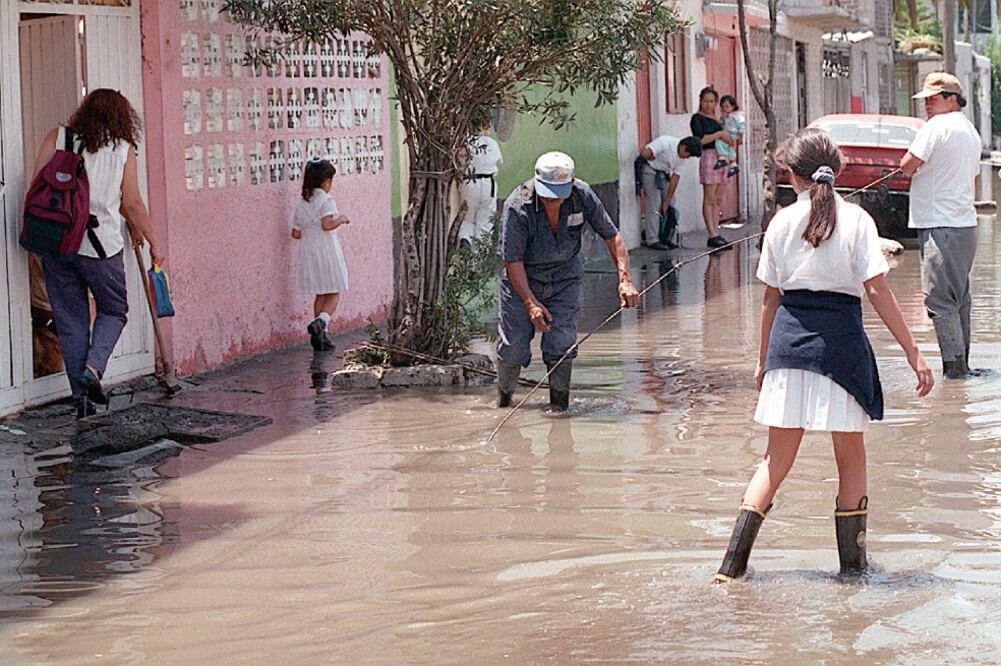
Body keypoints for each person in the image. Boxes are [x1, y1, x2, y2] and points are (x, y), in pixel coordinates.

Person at [713, 128, 934, 583]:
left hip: (787, 344)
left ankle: (730, 569)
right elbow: (877, 290)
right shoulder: (857, 220)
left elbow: (770, 299)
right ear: (838, 167)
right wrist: (914, 352)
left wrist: (762, 360)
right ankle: (853, 573)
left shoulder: (779, 222)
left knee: (774, 462)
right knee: (850, 457)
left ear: (789, 175)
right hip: (841, 349)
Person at [29, 89, 163, 419]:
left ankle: (82, 401)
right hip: (100, 246)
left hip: (57, 244)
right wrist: (151, 238)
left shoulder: (58, 136)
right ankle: (93, 369)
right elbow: (131, 202)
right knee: (114, 310)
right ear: (121, 116)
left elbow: (37, 188)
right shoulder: (121, 148)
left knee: (71, 322)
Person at [497, 151, 639, 410]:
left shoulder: (582, 195)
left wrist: (625, 279)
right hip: (523, 281)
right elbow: (512, 261)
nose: (553, 202)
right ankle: (504, 402)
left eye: (559, 195)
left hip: (565, 278)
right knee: (514, 346)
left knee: (561, 344)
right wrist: (530, 303)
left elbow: (612, 237)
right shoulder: (517, 207)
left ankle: (559, 408)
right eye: (548, 195)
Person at [900, 72, 982, 379]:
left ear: (951, 99)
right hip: (964, 225)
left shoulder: (936, 126)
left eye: (932, 99)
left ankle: (954, 373)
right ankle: (963, 366)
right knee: (959, 296)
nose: (927, 106)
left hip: (939, 224)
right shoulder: (970, 131)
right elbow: (971, 178)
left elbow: (907, 165)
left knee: (939, 299)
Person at [293, 159, 350, 351]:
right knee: (334, 292)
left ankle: (321, 335)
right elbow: (327, 225)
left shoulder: (303, 202)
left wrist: (308, 231)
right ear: (325, 181)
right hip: (326, 249)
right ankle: (322, 322)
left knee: (320, 292)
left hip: (309, 250)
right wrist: (341, 219)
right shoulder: (327, 200)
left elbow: (295, 232)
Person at [637, 135, 702, 250]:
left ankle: (667, 237)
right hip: (650, 171)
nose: (687, 158)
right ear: (683, 147)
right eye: (688, 154)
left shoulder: (682, 159)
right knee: (654, 204)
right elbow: (644, 155)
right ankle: (652, 239)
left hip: (663, 175)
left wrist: (667, 201)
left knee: (671, 205)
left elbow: (675, 178)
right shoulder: (665, 142)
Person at [690, 87, 734, 249]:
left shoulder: (719, 119)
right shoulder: (697, 118)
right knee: (709, 197)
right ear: (700, 101)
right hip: (709, 156)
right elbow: (700, 140)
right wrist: (719, 135)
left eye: (711, 101)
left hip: (723, 157)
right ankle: (712, 233)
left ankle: (717, 230)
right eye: (705, 101)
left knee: (718, 199)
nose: (708, 105)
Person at [458, 119, 503, 245]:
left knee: (468, 219)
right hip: (489, 184)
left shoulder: (467, 143)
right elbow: (498, 160)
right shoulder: (492, 143)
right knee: (485, 224)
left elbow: (459, 158)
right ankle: (479, 260)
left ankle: (465, 238)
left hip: (470, 183)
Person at [714, 95, 745, 178]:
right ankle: (733, 165)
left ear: (733, 106)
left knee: (719, 141)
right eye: (723, 107)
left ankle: (722, 158)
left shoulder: (737, 115)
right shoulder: (726, 116)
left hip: (733, 134)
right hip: (729, 134)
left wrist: (741, 136)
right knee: (729, 148)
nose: (724, 109)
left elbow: (742, 125)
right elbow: (723, 124)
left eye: (727, 106)